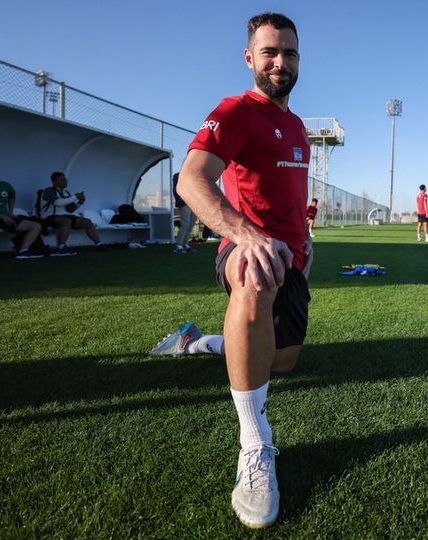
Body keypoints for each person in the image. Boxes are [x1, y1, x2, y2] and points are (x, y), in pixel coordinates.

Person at [150, 13, 311, 529]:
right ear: (250, 58)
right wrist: (246, 235)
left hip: (294, 260)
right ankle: (254, 444)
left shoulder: (297, 127)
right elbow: (192, 181)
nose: (279, 61)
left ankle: (199, 341)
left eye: (288, 52)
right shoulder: (237, 111)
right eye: (269, 52)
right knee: (254, 274)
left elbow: (288, 199)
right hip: (244, 249)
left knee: (281, 364)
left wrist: (304, 240)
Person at [38, 172, 105, 255]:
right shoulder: (48, 191)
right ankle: (61, 248)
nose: (65, 181)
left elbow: (70, 209)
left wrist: (80, 202)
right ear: (54, 182)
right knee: (66, 221)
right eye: (61, 180)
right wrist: (75, 197)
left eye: (65, 179)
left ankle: (99, 244)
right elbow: (57, 203)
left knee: (87, 221)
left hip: (67, 216)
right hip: (49, 217)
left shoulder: (67, 193)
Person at [173, 172, 197, 253]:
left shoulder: (193, 176)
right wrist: (181, 203)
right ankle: (178, 245)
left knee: (191, 224)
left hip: (193, 204)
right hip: (184, 204)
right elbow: (176, 190)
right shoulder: (178, 176)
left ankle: (185, 244)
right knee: (185, 224)